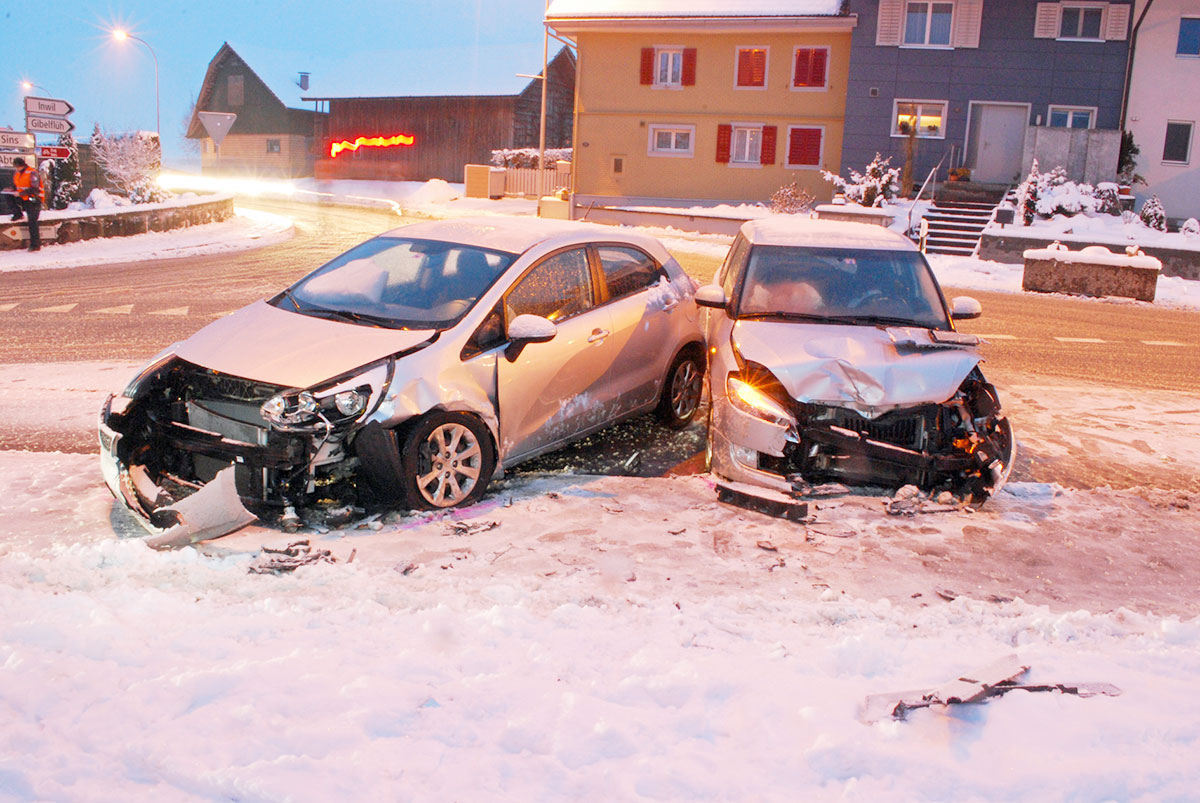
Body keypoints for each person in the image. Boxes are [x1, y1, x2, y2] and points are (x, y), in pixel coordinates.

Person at [10, 157, 44, 251]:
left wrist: (20, 193)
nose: (16, 169)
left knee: (32, 221)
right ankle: (18, 214)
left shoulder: (32, 172)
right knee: (8, 196)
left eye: (16, 166)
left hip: (34, 199)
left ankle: (35, 245)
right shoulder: (17, 174)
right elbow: (16, 186)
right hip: (24, 198)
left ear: (20, 165)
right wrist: (11, 190)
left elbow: (35, 189)